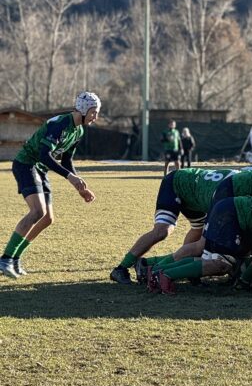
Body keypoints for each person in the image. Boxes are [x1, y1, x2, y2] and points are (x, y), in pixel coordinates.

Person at [0, 91, 101, 279]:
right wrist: (70, 178)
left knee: (48, 219)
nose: (96, 117)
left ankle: (15, 258)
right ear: (84, 110)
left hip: (40, 168)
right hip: (26, 164)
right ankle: (5, 258)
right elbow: (44, 155)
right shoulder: (60, 124)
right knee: (37, 212)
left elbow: (67, 161)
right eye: (94, 112)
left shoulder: (78, 130)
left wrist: (80, 187)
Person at [109, 165, 236, 284]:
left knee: (199, 231)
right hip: (177, 184)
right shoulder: (235, 189)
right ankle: (121, 268)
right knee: (163, 231)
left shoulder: (240, 182)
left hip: (198, 194)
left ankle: (160, 266)